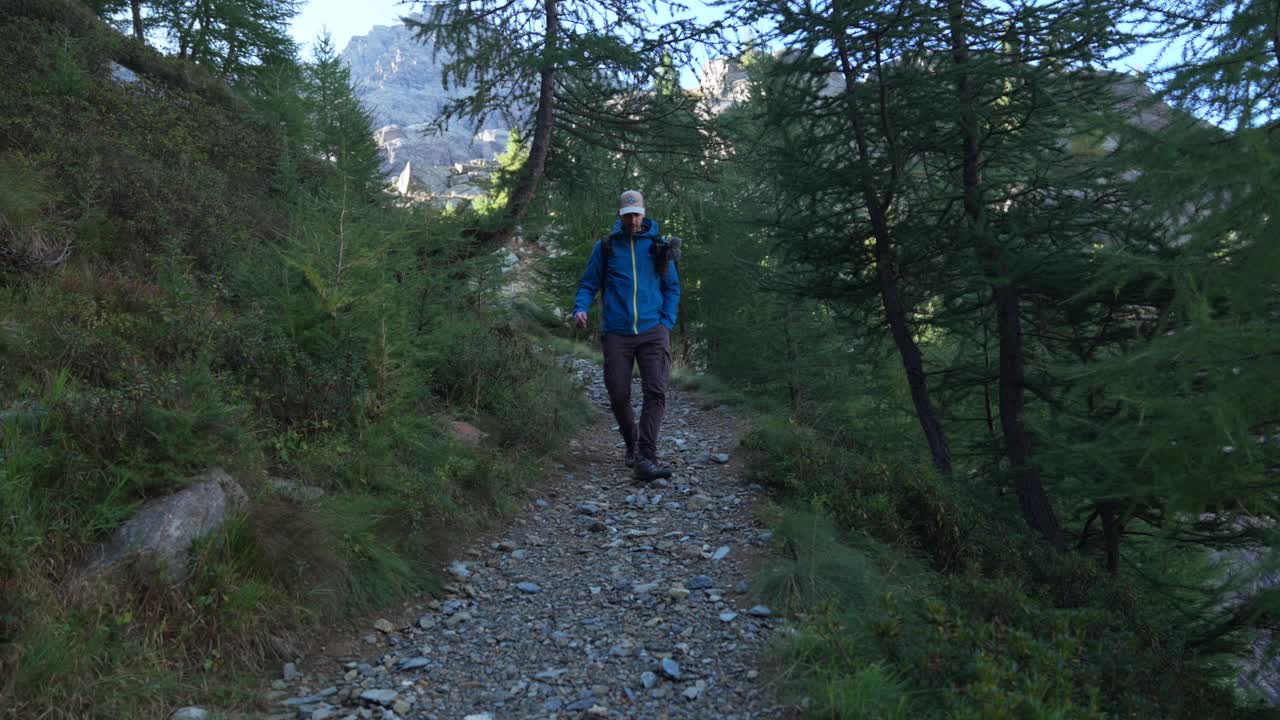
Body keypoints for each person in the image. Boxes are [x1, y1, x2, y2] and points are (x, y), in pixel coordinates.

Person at [574, 190, 681, 481]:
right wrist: (581, 308)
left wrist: (666, 322)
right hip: (616, 332)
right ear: (620, 216)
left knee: (655, 391)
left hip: (653, 330)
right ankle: (632, 445)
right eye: (627, 215)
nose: (633, 220)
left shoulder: (658, 247)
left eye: (636, 214)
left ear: (644, 213)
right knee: (619, 394)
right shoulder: (606, 247)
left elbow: (672, 287)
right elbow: (588, 284)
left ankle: (647, 456)